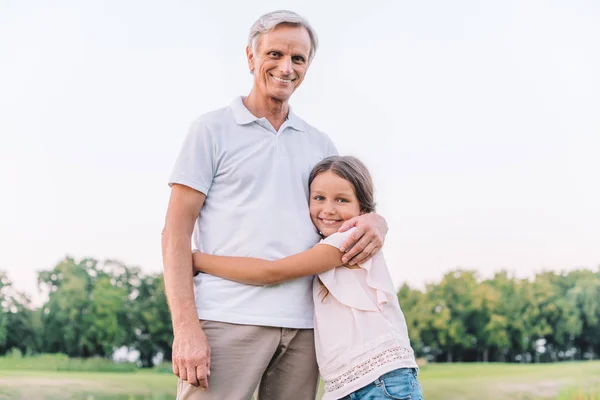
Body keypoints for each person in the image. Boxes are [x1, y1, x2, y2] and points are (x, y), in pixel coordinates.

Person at [162, 10, 389, 400]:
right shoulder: (211, 130)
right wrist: (185, 327)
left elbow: (345, 214)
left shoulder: (319, 143)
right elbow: (175, 232)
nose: (286, 67)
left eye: (298, 58)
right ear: (251, 58)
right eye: (275, 54)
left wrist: (379, 221)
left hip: (306, 327)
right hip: (225, 318)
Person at [193, 156, 423, 400]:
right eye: (319, 198)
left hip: (381, 381)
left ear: (362, 209)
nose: (328, 210)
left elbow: (271, 272)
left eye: (342, 200)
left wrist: (197, 260)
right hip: (355, 383)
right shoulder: (326, 244)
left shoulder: (349, 240)